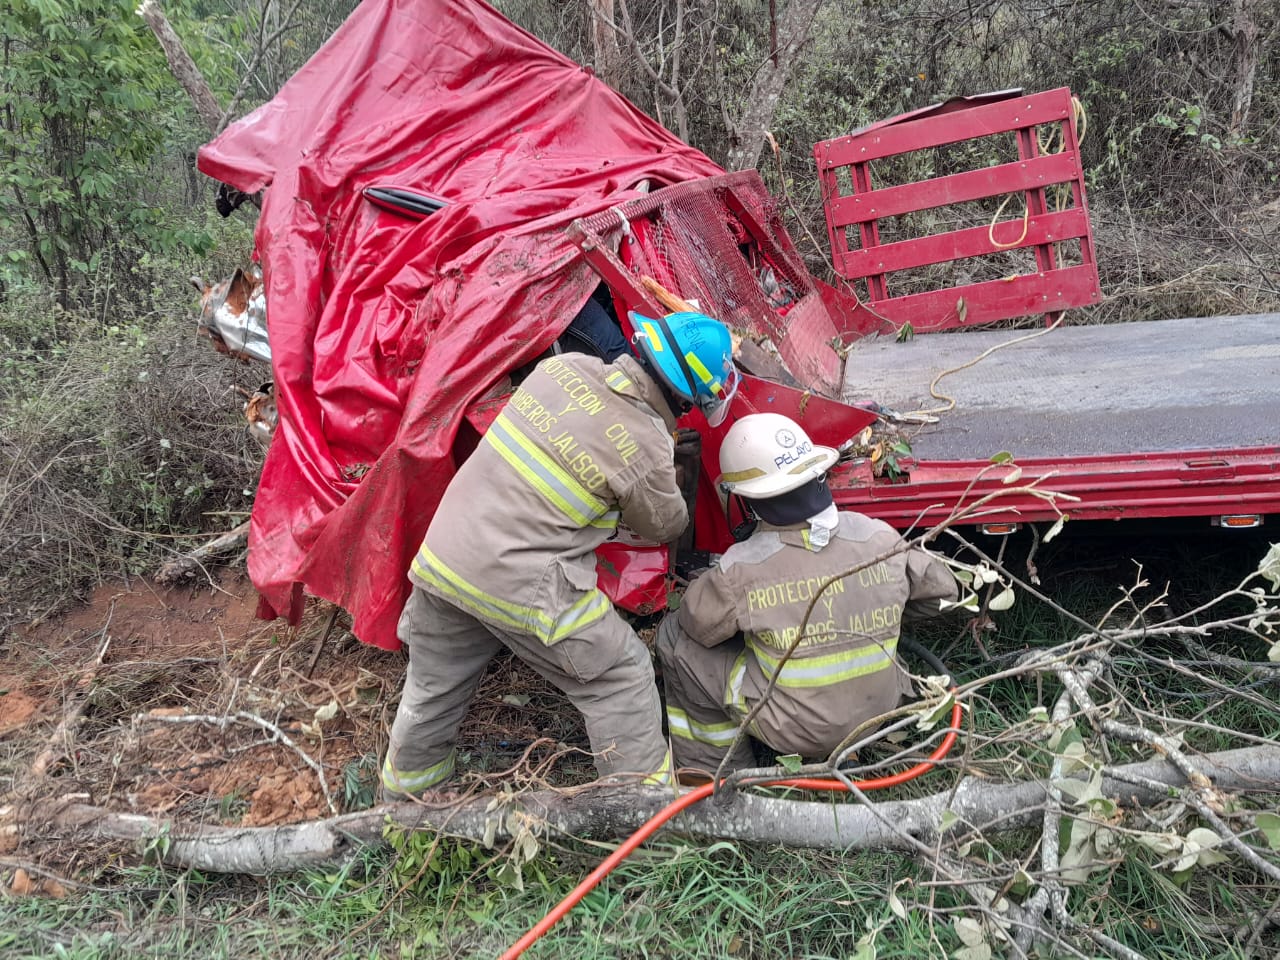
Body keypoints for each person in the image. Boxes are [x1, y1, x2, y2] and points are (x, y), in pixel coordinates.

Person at [381, 306, 740, 799]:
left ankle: (404, 805)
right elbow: (666, 524)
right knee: (622, 676)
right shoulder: (645, 444)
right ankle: (642, 818)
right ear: (691, 394)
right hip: (519, 581)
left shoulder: (562, 369)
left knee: (432, 689)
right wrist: (673, 466)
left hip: (446, 559)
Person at [656, 412, 958, 778]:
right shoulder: (879, 536)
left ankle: (711, 772)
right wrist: (870, 608)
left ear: (748, 499)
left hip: (795, 731)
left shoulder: (742, 569)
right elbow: (943, 592)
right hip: (881, 709)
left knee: (673, 638)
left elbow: (696, 624)